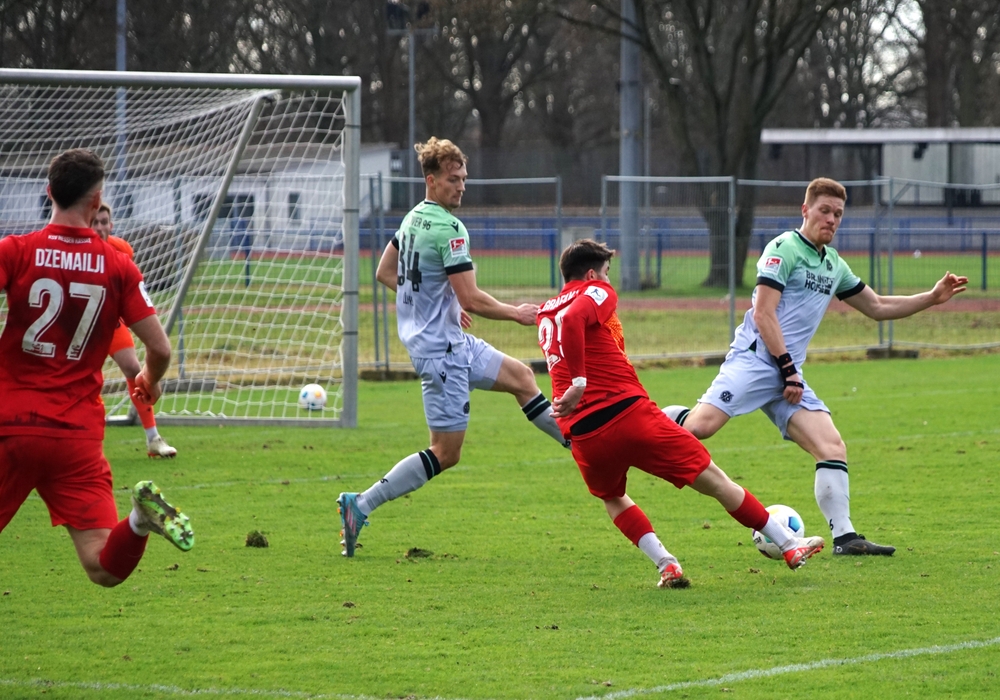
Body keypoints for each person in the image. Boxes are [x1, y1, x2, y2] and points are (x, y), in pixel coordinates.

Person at [663, 177, 968, 556]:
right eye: (825, 211)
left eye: (838, 214)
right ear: (805, 210)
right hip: (756, 362)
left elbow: (877, 307)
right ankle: (660, 420)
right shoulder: (784, 248)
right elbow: (763, 313)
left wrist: (932, 297)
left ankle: (846, 538)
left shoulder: (833, 264)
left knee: (831, 445)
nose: (832, 219)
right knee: (699, 429)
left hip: (788, 374)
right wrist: (788, 370)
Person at [538, 239, 824, 587]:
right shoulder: (596, 291)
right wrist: (580, 382)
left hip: (582, 431)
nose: (609, 281)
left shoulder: (544, 311)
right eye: (607, 273)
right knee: (715, 481)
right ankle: (789, 545)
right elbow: (573, 317)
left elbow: (565, 322)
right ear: (590, 274)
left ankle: (666, 564)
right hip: (627, 414)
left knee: (612, 497)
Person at [337, 137, 568, 557]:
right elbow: (473, 299)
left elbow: (385, 272)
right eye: (453, 179)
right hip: (441, 354)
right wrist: (516, 313)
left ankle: (582, 445)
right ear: (431, 180)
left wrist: (437, 304)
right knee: (445, 453)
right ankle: (361, 504)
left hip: (448, 343)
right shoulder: (450, 229)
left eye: (463, 179)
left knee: (521, 377)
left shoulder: (412, 218)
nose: (461, 186)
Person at [0, 148, 194, 587]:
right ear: (97, 201)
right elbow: (160, 348)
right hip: (76, 435)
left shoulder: (16, 251)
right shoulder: (117, 264)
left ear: (48, 192)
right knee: (102, 566)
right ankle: (140, 521)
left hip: (12, 425)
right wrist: (149, 380)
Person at [92, 202, 177, 458]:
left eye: (104, 222)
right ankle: (82, 439)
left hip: (111, 321)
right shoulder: (74, 252)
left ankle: (153, 438)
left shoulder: (122, 250)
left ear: (111, 225)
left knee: (132, 368)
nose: (99, 227)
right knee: (83, 376)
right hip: (81, 326)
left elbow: (129, 292)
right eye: (94, 222)